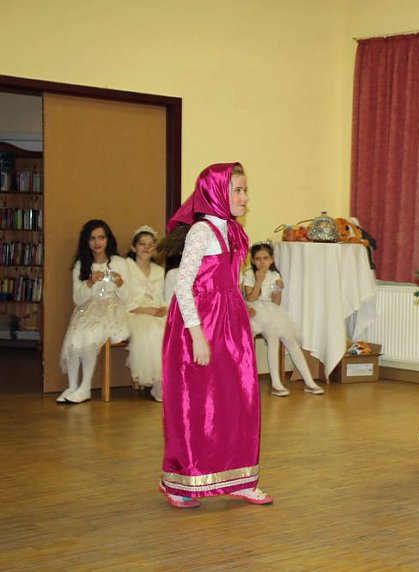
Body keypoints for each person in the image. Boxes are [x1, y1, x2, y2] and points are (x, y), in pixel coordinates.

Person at [159, 162, 272, 509]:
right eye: (237, 190)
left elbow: (226, 281)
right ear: (216, 193)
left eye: (245, 189)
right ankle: (183, 482)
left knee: (240, 398)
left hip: (229, 324)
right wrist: (196, 336)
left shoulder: (233, 231)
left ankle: (240, 477)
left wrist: (239, 308)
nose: (245, 196)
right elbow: (183, 284)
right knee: (198, 404)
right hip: (200, 325)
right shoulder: (202, 232)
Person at [57, 219, 130, 404]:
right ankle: (72, 386)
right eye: (92, 239)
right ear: (86, 242)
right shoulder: (81, 265)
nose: (97, 242)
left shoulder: (120, 262)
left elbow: (129, 297)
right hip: (87, 309)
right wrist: (89, 283)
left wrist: (120, 283)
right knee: (74, 338)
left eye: (101, 237)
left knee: (90, 336)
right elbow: (77, 299)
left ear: (108, 239)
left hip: (112, 310)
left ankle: (85, 387)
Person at [242, 242, 325, 396]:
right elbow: (251, 298)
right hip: (253, 312)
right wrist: (259, 279)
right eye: (258, 259)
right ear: (253, 261)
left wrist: (278, 288)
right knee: (273, 337)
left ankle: (309, 381)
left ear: (272, 259)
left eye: (265, 258)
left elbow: (276, 302)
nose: (262, 262)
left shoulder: (275, 275)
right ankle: (276, 383)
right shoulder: (249, 274)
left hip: (271, 311)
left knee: (290, 340)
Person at [124, 225, 167, 402]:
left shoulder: (159, 270)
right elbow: (123, 297)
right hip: (134, 312)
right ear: (134, 247)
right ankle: (157, 384)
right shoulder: (126, 267)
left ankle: (168, 382)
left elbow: (163, 296)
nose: (146, 248)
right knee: (150, 331)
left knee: (170, 331)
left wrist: (163, 308)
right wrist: (145, 310)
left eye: (150, 244)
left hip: (155, 311)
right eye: (142, 244)